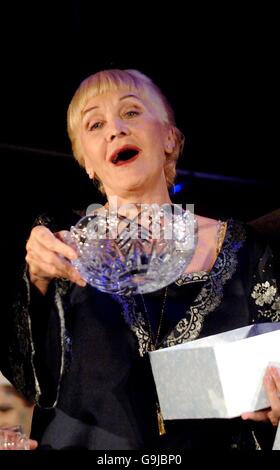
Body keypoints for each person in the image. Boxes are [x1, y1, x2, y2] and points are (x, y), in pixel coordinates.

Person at [2, 69, 280, 450]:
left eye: (131, 113)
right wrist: (34, 279)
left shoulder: (245, 250)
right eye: (95, 124)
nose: (115, 129)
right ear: (86, 162)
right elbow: (25, 379)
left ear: (169, 137)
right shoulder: (58, 248)